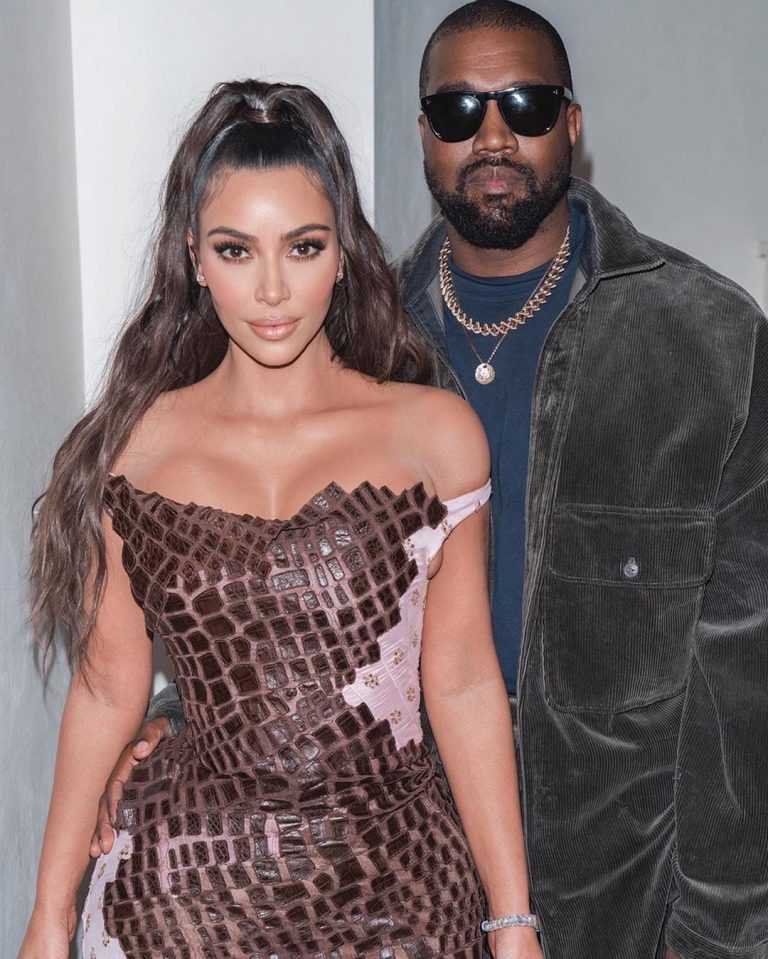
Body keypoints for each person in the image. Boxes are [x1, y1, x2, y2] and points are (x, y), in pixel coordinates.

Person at [100, 2, 768, 958]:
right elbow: (259, 575)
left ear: (573, 124)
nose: (492, 135)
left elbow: (744, 690)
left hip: (624, 892)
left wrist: (721, 935)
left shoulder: (708, 342)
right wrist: (181, 718)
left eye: (526, 104)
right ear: (423, 135)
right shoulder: (350, 340)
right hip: (394, 887)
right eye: (458, 111)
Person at [19, 79, 543, 959]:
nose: (271, 289)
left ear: (343, 253)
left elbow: (460, 680)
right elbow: (108, 688)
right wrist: (49, 913)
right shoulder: (135, 449)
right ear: (194, 257)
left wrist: (513, 918)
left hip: (400, 889)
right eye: (235, 249)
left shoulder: (435, 435)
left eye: (302, 246)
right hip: (180, 894)